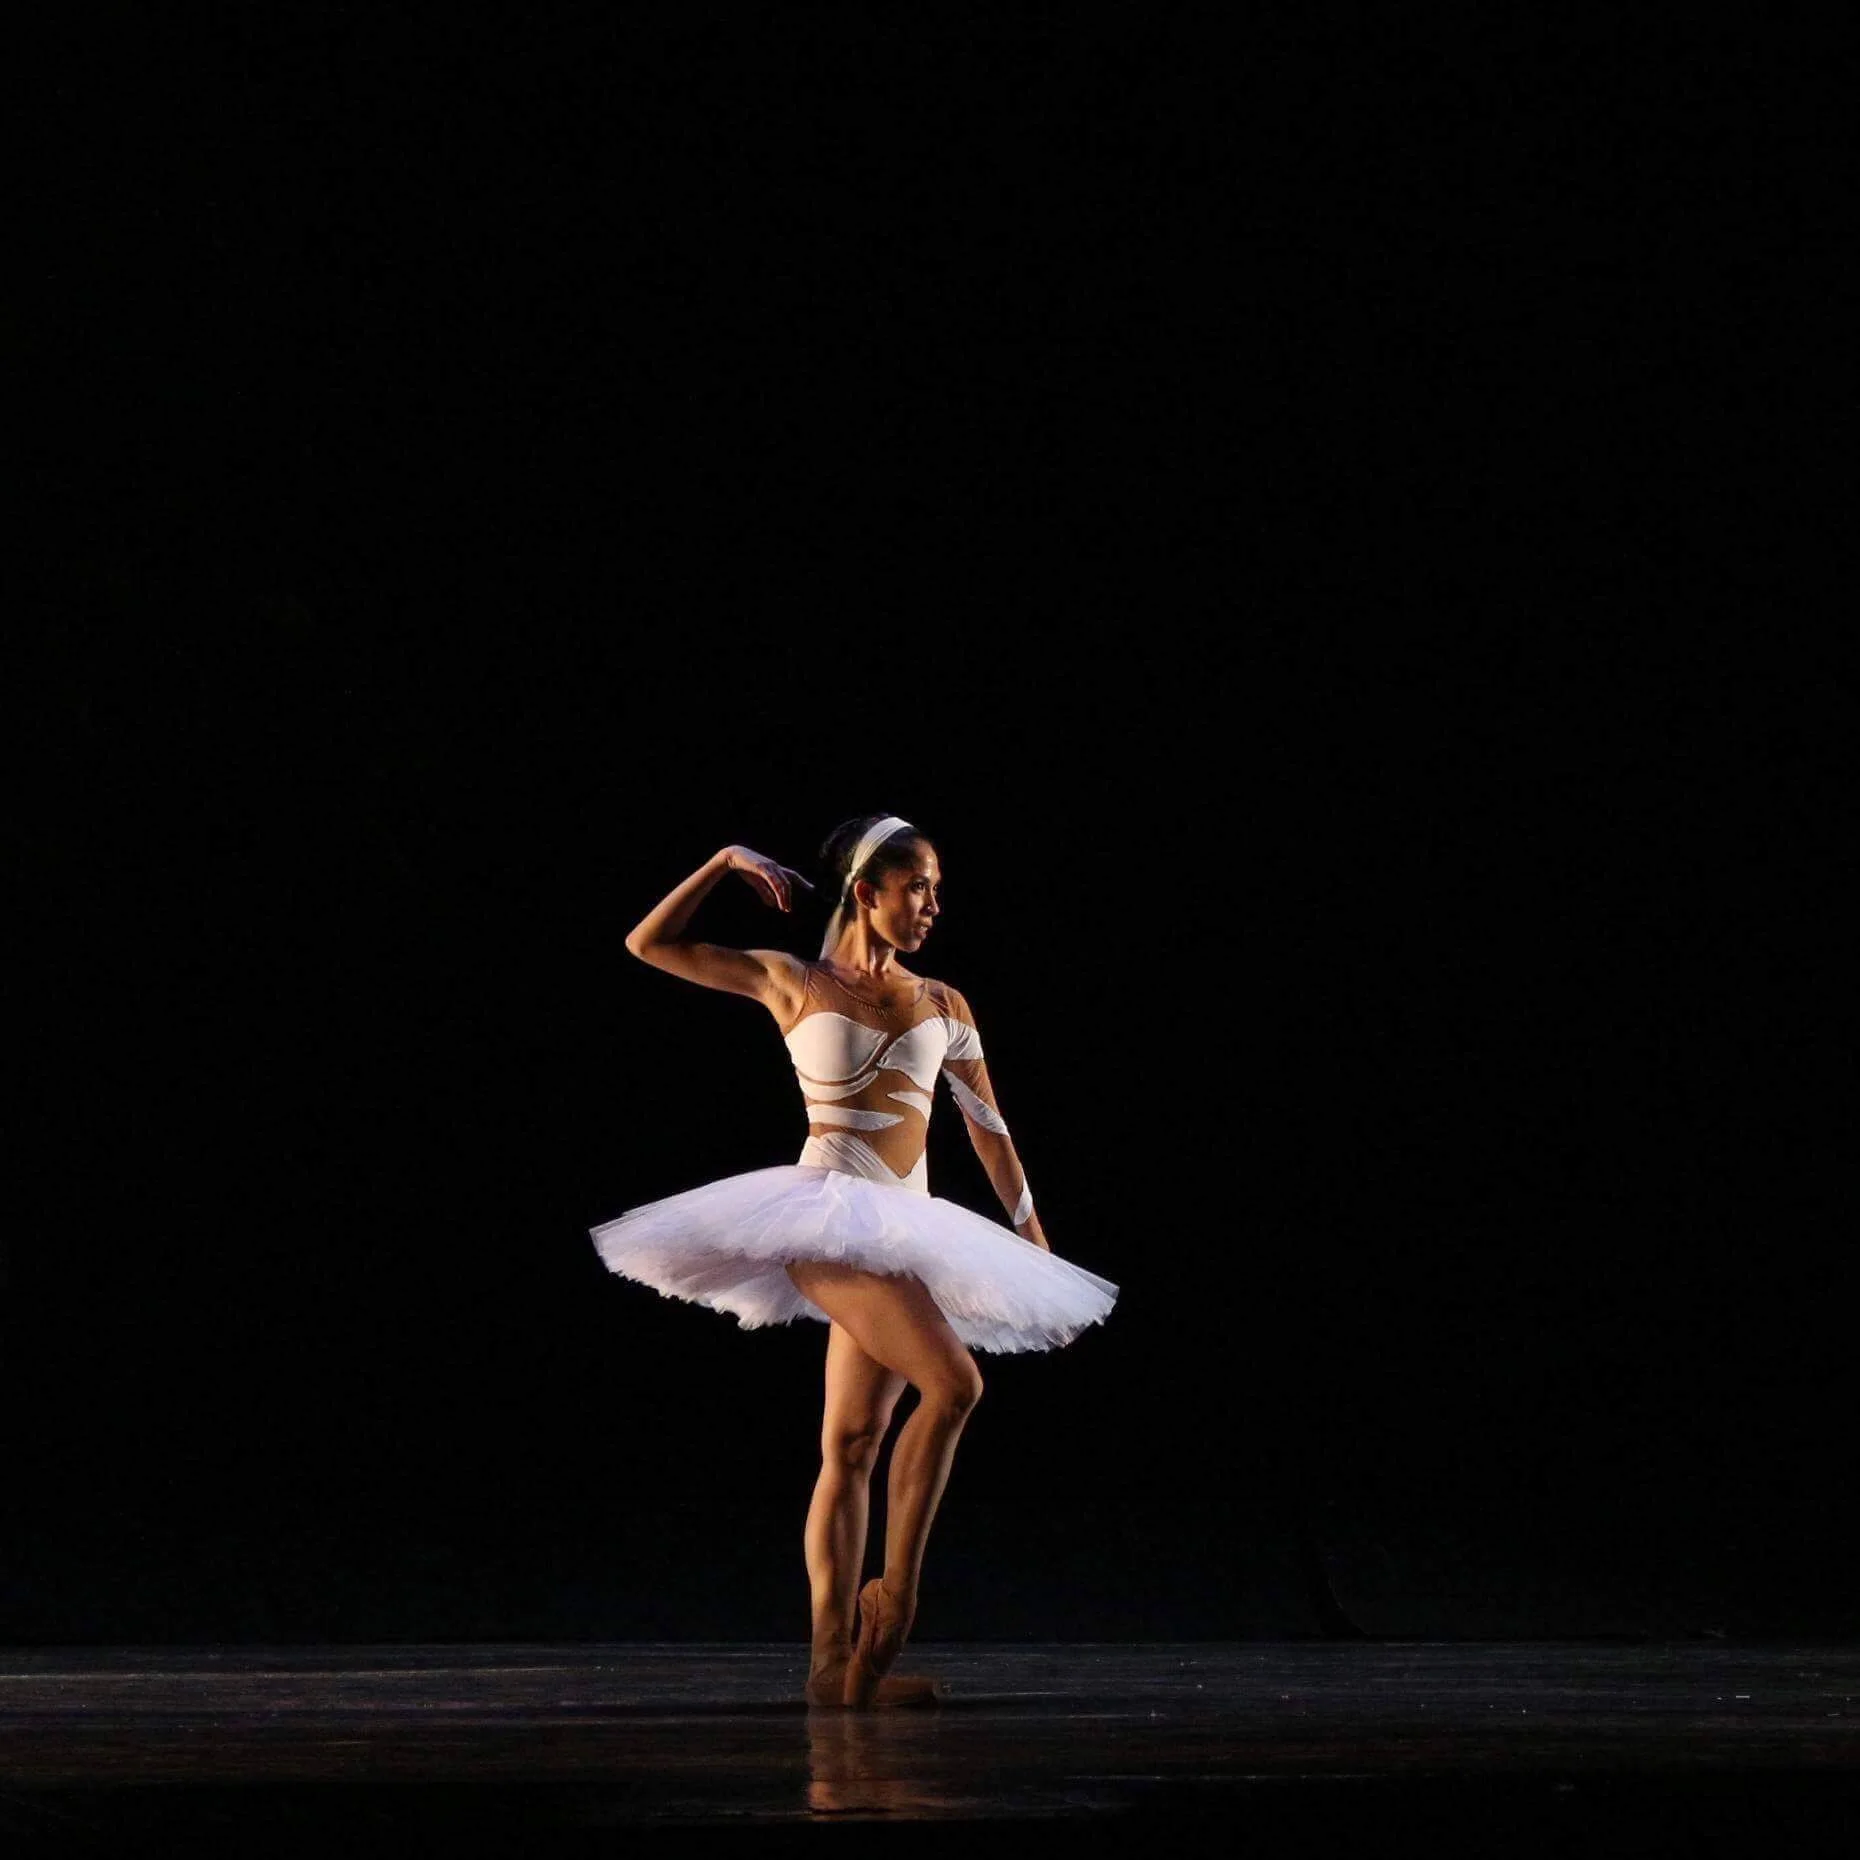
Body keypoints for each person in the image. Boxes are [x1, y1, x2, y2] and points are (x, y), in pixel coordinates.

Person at [592, 814, 1119, 1708]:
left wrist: (1037, 1247)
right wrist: (724, 860)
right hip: (821, 1222)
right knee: (955, 1386)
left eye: (937, 891)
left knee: (851, 1442)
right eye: (918, 888)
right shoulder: (791, 980)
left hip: (909, 1228)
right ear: (866, 892)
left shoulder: (943, 1003)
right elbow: (648, 944)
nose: (933, 906)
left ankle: (834, 1672)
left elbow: (989, 1132)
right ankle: (896, 1598)